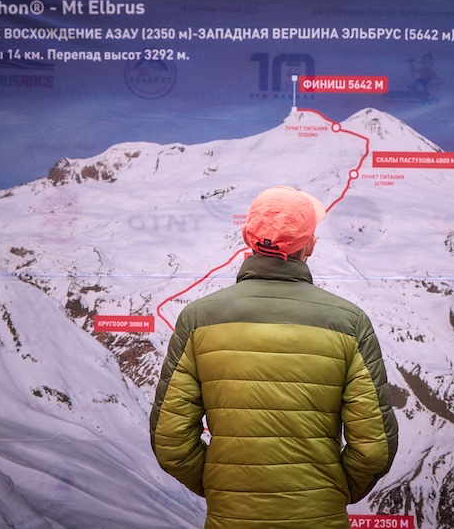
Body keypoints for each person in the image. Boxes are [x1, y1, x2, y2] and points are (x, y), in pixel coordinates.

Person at [150, 186, 398, 528]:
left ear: (247, 239)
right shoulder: (350, 323)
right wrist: (332, 491)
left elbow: (171, 442)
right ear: (310, 246)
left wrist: (223, 487)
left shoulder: (197, 319)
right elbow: (374, 448)